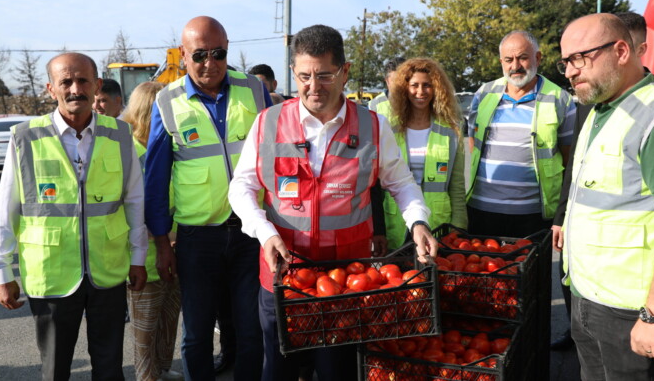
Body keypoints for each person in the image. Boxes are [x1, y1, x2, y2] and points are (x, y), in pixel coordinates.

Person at [228, 24, 438, 381]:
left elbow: (401, 183)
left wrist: (418, 222)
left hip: (347, 282)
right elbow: (241, 187)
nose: (314, 86)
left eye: (324, 75)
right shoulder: (267, 123)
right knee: (277, 370)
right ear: (293, 72)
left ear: (345, 72)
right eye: (304, 76)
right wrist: (264, 232)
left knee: (336, 372)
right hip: (284, 277)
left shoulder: (373, 126)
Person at [0, 52, 148, 380]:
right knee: (55, 369)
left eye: (83, 80)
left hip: (108, 270)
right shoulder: (25, 137)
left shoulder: (119, 134)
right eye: (65, 81)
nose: (75, 89)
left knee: (110, 368)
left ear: (97, 85)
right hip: (51, 272)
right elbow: (6, 208)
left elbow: (134, 201)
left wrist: (138, 257)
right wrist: (1, 270)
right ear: (51, 88)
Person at [558, 13, 654, 380]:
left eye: (579, 59)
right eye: (565, 62)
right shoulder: (600, 112)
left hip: (631, 311)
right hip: (589, 297)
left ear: (621, 51)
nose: (570, 72)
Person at [144, 16, 271, 381]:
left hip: (251, 233)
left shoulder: (254, 89)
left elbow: (278, 156)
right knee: (197, 333)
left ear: (227, 50)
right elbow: (156, 179)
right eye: (199, 55)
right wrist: (162, 243)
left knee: (251, 330)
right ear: (183, 55)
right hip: (198, 238)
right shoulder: (166, 101)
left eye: (218, 54)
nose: (209, 63)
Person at [466, 30, 575, 238]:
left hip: (534, 215)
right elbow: (473, 144)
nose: (515, 66)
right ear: (501, 62)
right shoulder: (484, 93)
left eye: (522, 58)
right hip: (482, 211)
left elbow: (569, 158)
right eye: (508, 60)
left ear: (538, 58)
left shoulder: (560, 99)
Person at [122, 81, 183, 381]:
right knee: (144, 328)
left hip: (176, 248)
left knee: (169, 318)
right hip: (144, 255)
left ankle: (162, 367)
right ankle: (147, 375)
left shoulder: (169, 146)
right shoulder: (128, 151)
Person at [375, 58, 468, 250]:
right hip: (397, 226)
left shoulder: (451, 130)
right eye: (414, 85)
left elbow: (457, 184)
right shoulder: (388, 127)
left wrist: (459, 226)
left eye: (427, 85)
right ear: (404, 88)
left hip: (438, 227)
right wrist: (378, 229)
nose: (420, 91)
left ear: (437, 88)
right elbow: (377, 185)